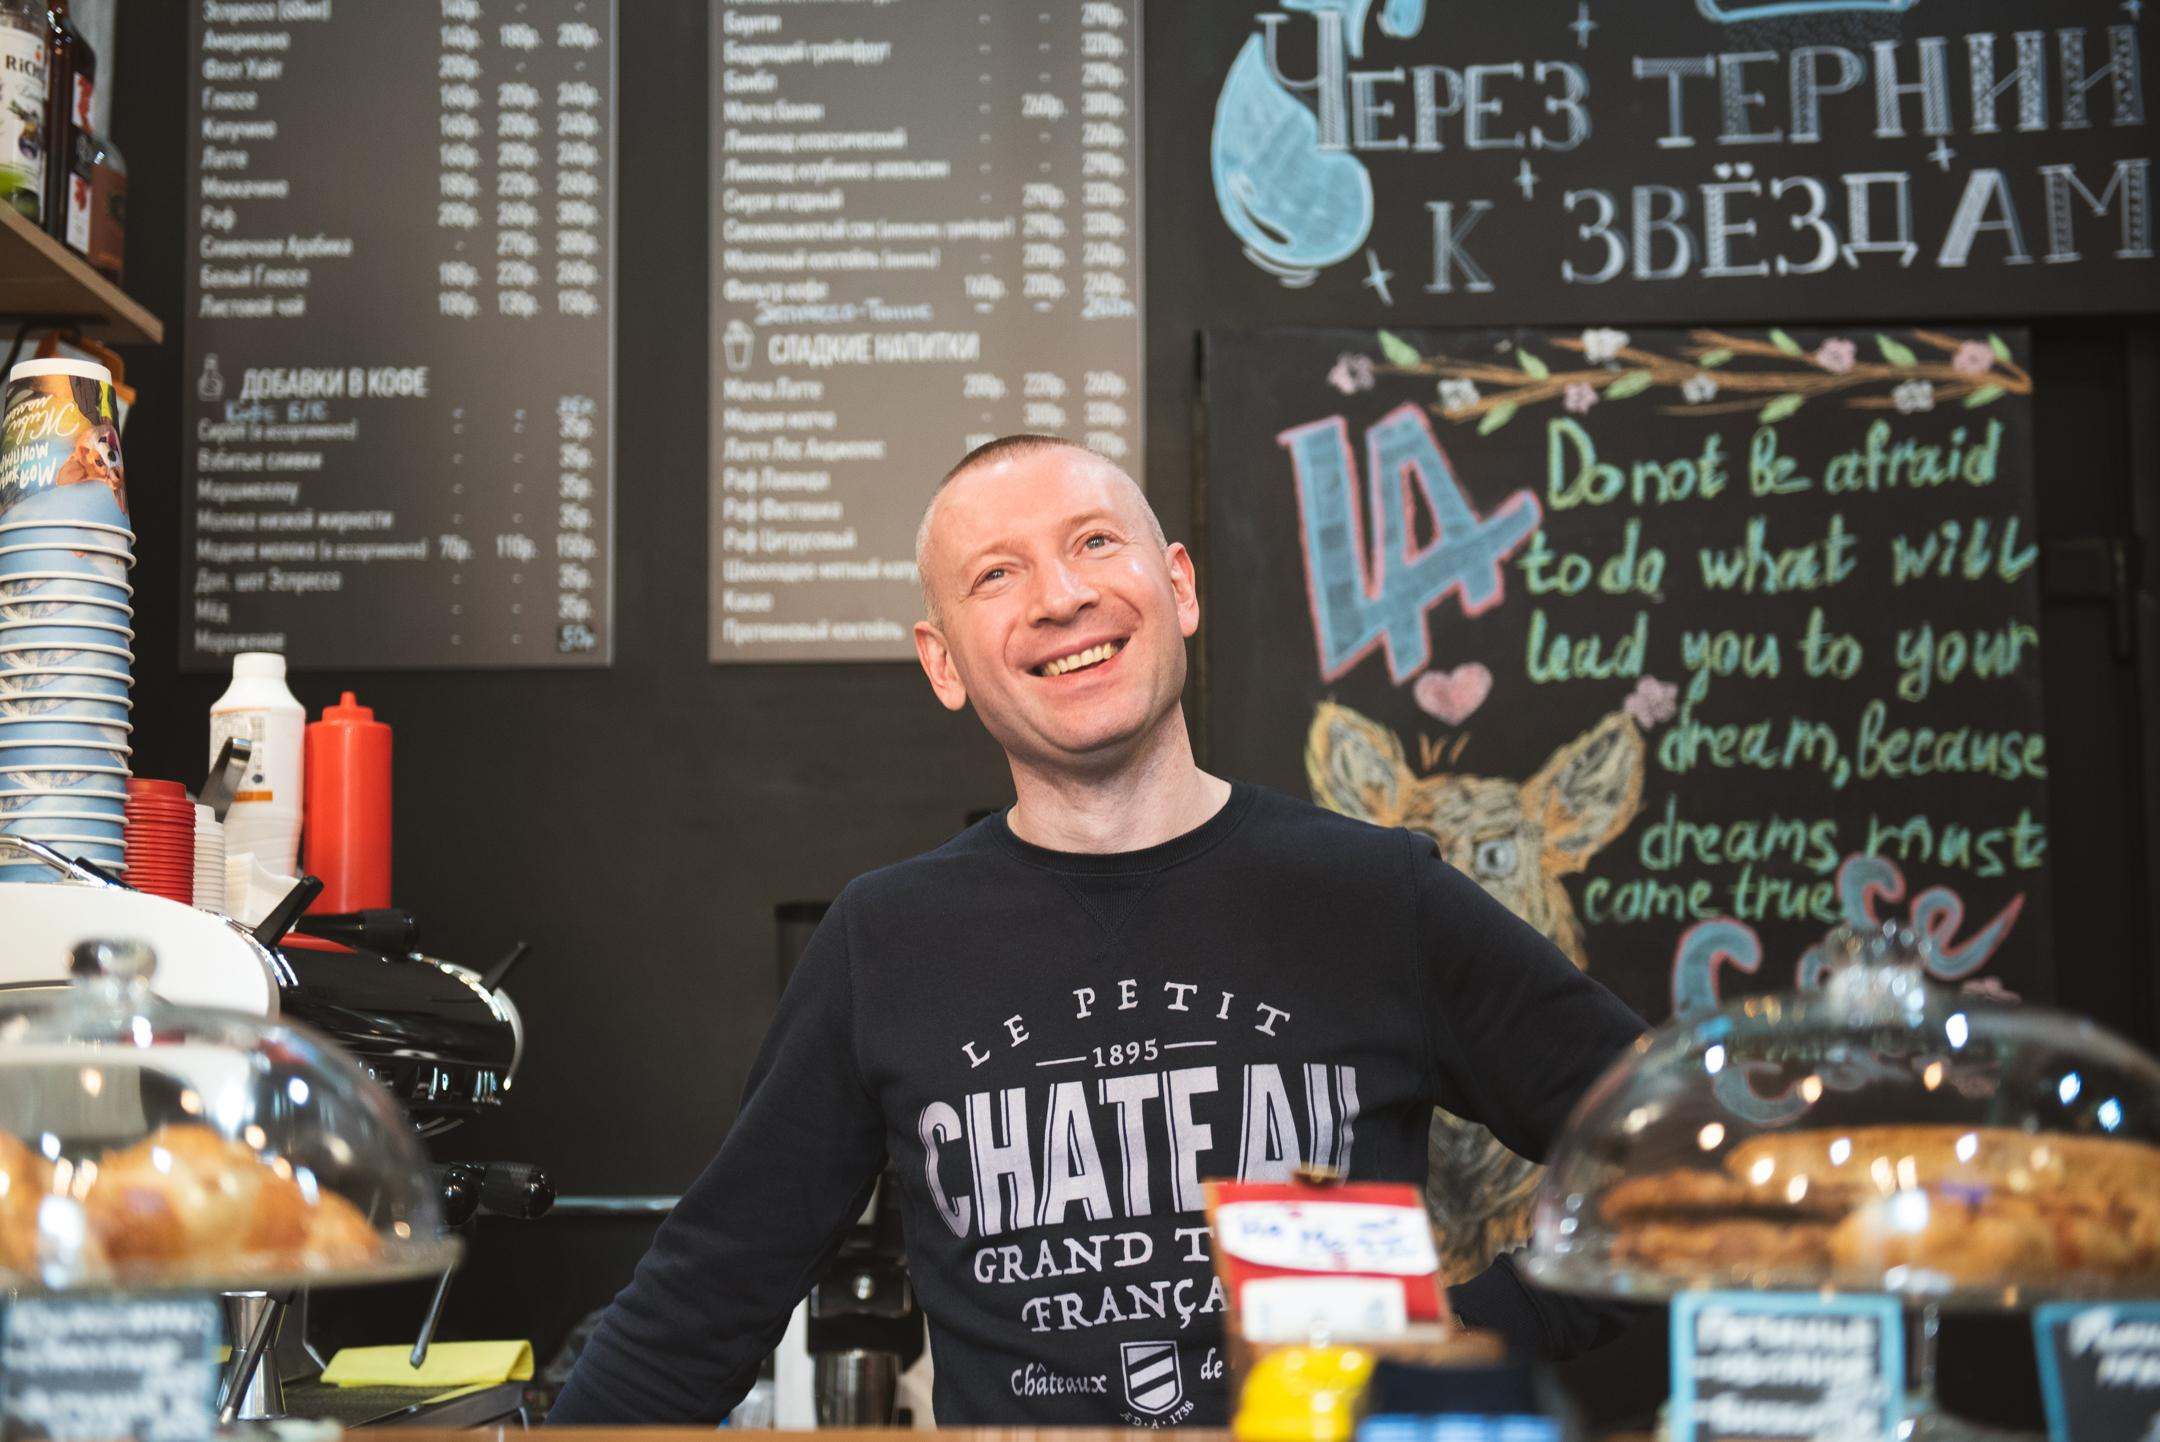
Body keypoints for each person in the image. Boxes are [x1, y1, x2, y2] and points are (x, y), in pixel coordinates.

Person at [549, 436, 1645, 1428]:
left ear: (1177, 587)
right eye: (997, 573)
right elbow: (706, 1294)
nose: (1062, 596)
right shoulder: (885, 940)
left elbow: (1676, 1160)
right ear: (943, 661)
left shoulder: (1373, 894)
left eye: (1093, 542)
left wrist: (1484, 1328)